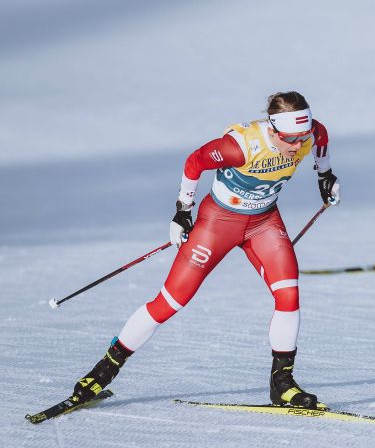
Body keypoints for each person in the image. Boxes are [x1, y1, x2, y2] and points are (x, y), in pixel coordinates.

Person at [67, 91, 340, 409]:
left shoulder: (312, 132)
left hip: (264, 223)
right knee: (170, 302)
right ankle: (101, 373)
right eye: (290, 138)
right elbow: (195, 161)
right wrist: (183, 210)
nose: (296, 146)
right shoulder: (239, 147)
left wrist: (325, 175)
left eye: (301, 136)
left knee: (289, 295)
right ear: (273, 129)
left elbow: (321, 142)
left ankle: (283, 384)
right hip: (218, 223)